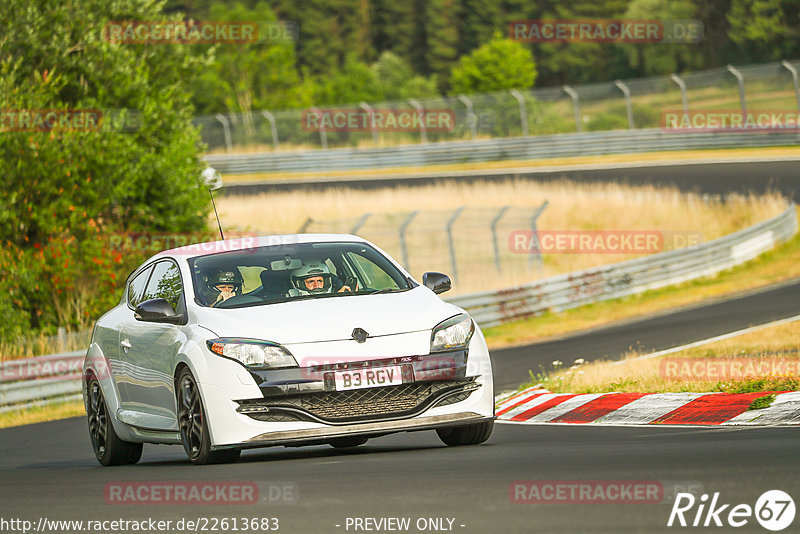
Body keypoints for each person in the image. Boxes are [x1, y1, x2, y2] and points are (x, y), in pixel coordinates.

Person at [288, 261, 355, 297]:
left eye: (319, 281)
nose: (316, 286)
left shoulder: (336, 296)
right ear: (299, 284)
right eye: (311, 282)